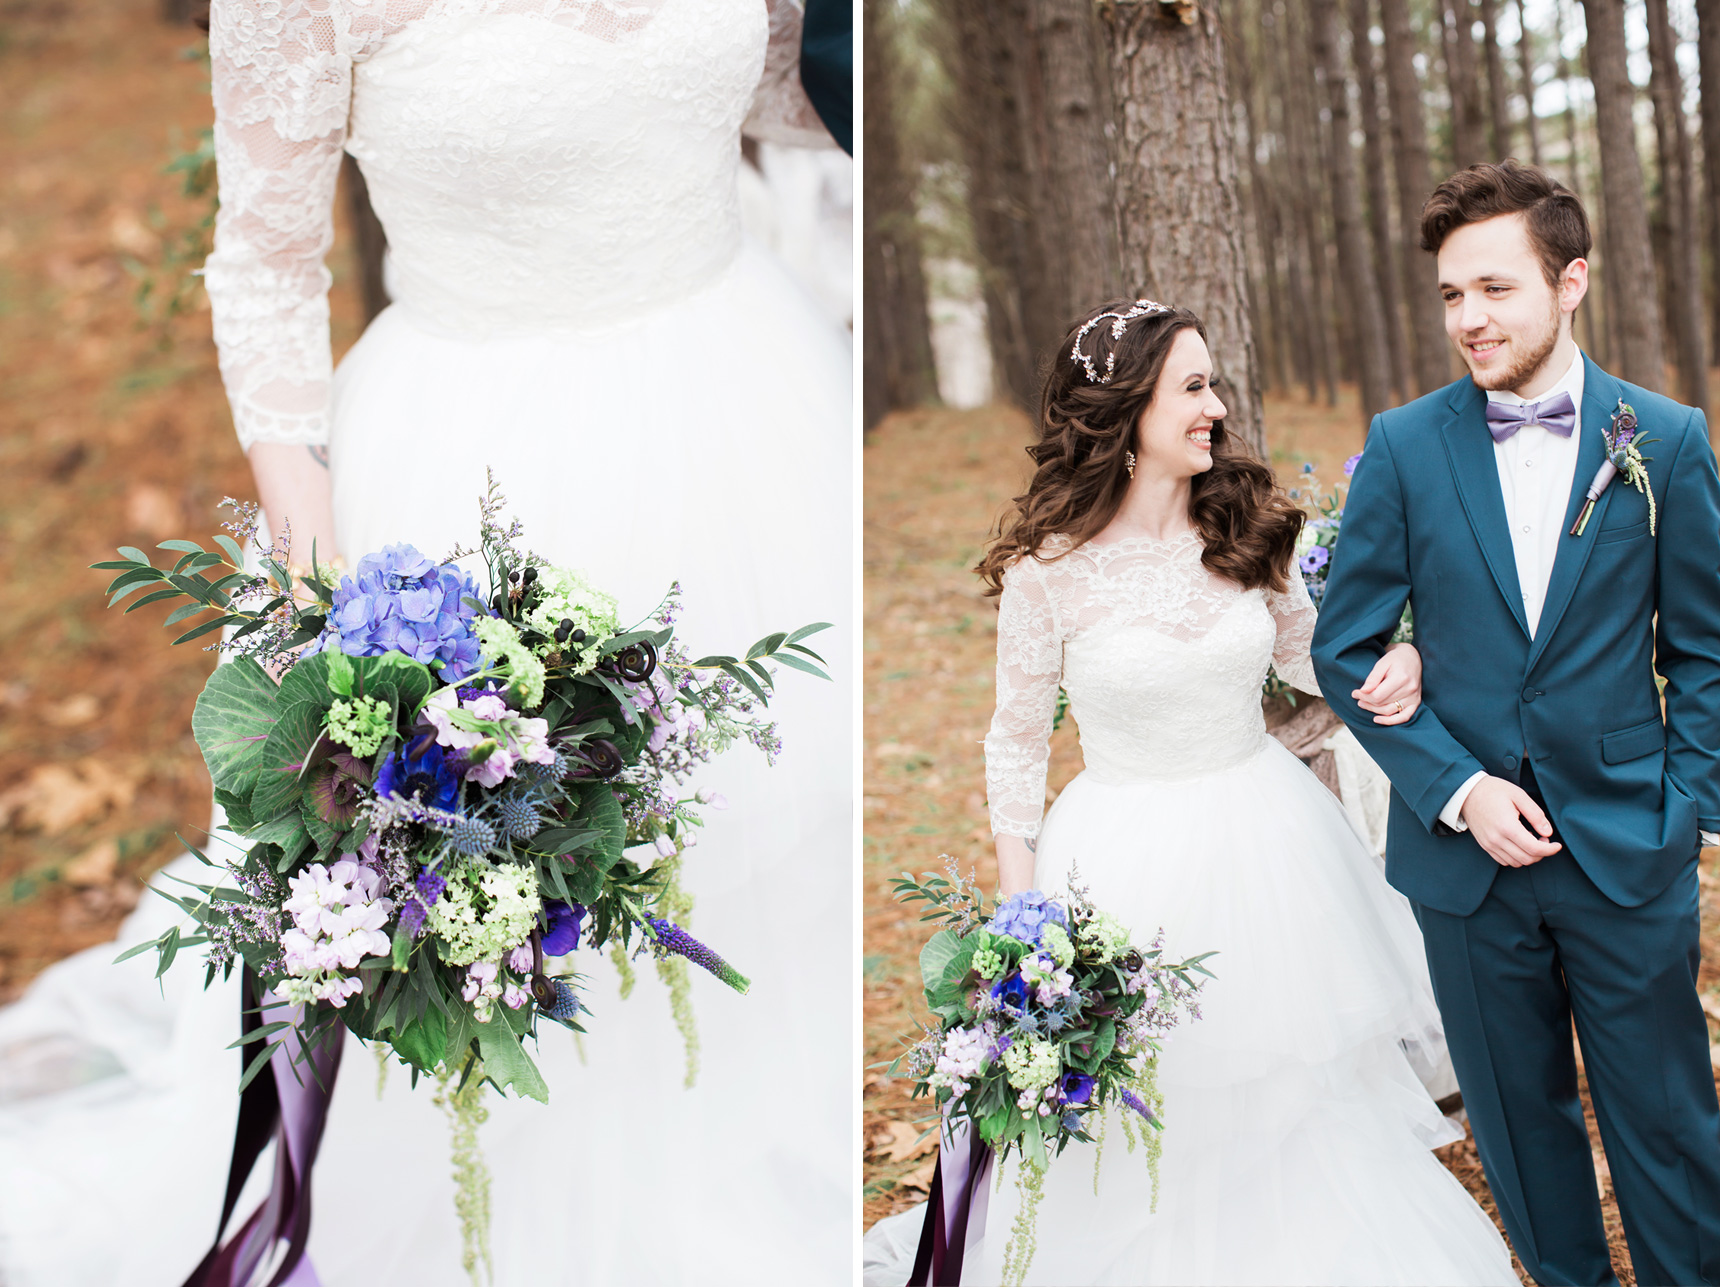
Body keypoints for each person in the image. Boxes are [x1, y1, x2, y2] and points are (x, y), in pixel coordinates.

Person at [0, 1, 852, 1283]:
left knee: (775, 822)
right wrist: (306, 565)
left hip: (753, 403)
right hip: (472, 456)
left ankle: (760, 1142)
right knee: (494, 862)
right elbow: (266, 260)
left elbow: (793, 92)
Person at [864, 300, 1515, 1285]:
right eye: (1192, 387)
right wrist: (1021, 904)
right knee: (1153, 1104)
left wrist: (1403, 661)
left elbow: (1317, 664)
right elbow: (1011, 745)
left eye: (1212, 384)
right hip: (1120, 855)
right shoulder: (1052, 576)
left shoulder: (1247, 533)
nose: (1214, 405)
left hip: (1270, 842)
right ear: (1125, 411)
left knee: (1292, 1090)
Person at [1313, 160, 1720, 1287]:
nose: (1468, 319)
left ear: (1570, 280)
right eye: (1450, 295)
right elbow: (1343, 646)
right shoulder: (1402, 445)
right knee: (1523, 1142)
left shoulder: (1668, 441)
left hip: (1627, 849)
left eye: (1494, 289)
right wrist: (1454, 785)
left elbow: (1704, 648)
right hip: (1465, 869)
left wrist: (1685, 809)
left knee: (1671, 1133)